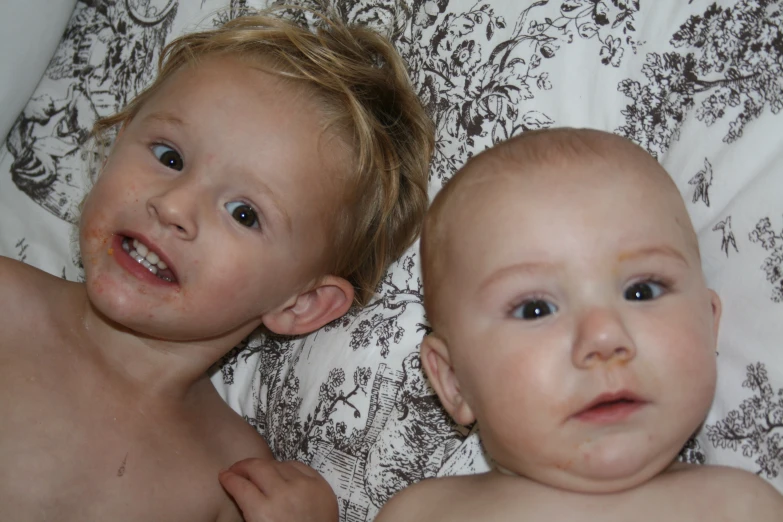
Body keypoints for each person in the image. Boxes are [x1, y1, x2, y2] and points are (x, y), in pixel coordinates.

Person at [0, 9, 433, 522]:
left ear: (302, 304)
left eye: (244, 213)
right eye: (169, 156)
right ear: (117, 141)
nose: (175, 206)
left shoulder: (237, 481)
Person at [375, 128, 783, 521]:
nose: (604, 336)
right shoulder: (420, 514)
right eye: (535, 309)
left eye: (642, 291)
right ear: (453, 380)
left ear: (708, 325)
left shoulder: (745, 507)